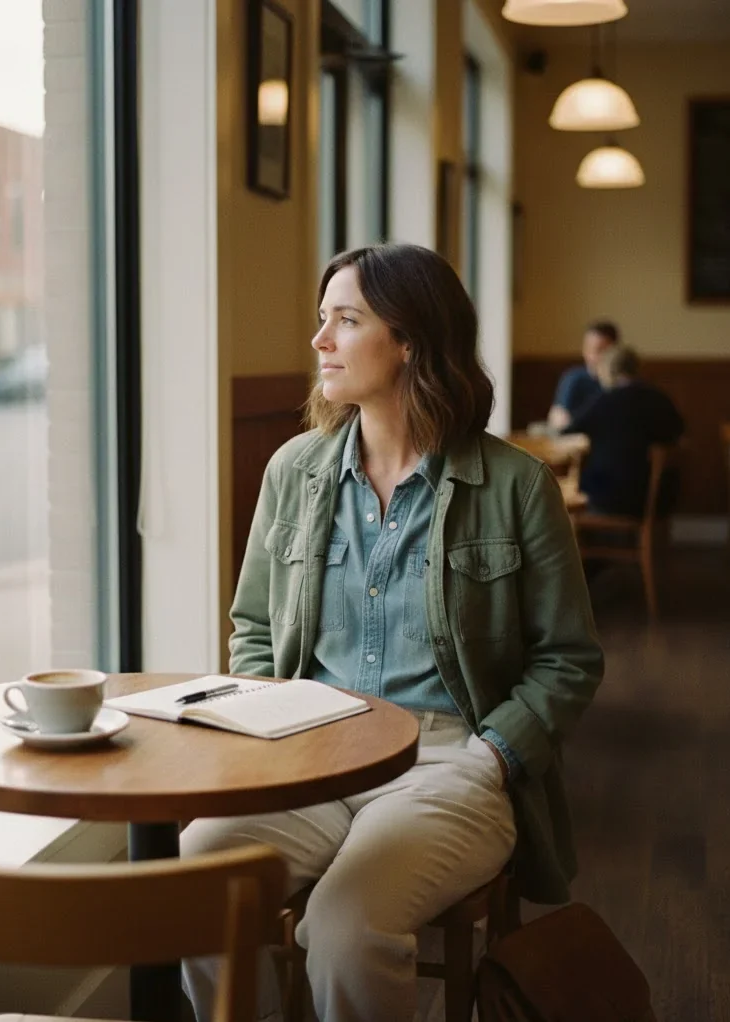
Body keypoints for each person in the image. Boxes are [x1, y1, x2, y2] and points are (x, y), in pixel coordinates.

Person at [181, 243, 604, 1022]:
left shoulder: (516, 485)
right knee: (202, 871)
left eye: (346, 320)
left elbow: (567, 659)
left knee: (345, 926)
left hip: (448, 762)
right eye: (323, 320)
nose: (321, 341)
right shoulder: (293, 472)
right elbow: (252, 628)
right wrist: (266, 726)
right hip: (308, 759)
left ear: (410, 340)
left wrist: (492, 756)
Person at [566, 345, 684, 517]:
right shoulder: (659, 399)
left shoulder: (604, 401)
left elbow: (569, 431)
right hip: (655, 499)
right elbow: (679, 434)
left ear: (607, 370)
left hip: (607, 497)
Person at [547, 320, 619, 431]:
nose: (591, 356)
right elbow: (558, 417)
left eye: (599, 350)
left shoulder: (623, 383)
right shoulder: (573, 379)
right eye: (588, 349)